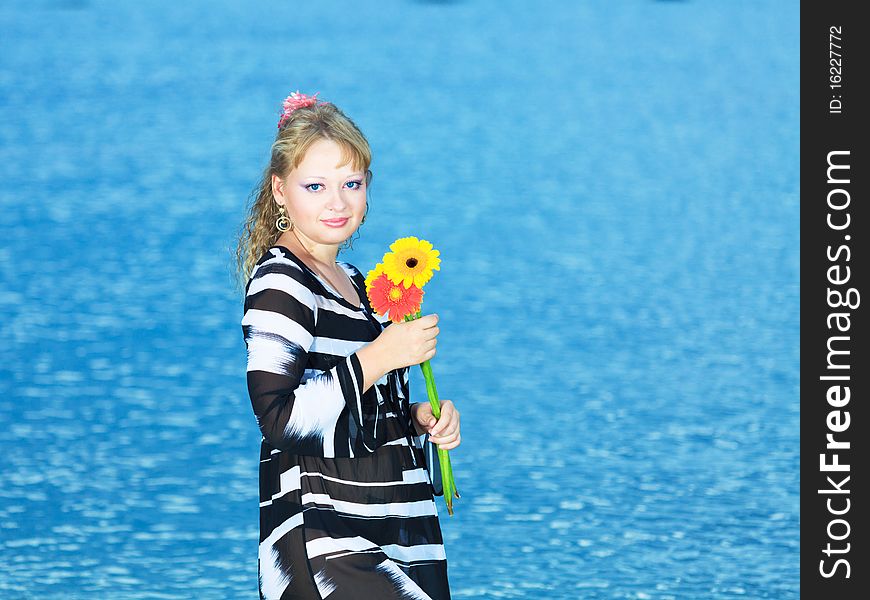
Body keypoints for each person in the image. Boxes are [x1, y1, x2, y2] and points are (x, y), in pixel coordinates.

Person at [235, 90, 460, 600]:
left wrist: (420, 418)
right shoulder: (281, 282)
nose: (336, 202)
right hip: (327, 542)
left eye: (351, 183)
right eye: (314, 185)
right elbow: (278, 418)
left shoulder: (357, 284)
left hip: (393, 531)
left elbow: (360, 411)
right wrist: (379, 357)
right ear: (280, 191)